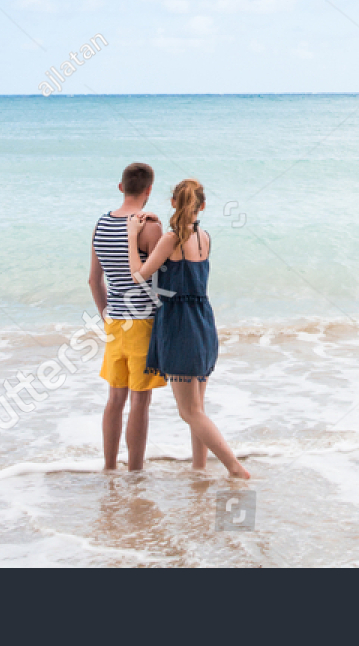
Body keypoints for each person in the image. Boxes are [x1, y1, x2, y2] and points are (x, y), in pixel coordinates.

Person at [127, 179, 250, 479]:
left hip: (179, 325)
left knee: (189, 411)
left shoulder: (170, 239)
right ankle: (199, 469)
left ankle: (235, 468)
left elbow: (139, 276)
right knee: (198, 408)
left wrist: (132, 237)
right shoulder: (204, 237)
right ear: (202, 206)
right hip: (203, 321)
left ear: (173, 203)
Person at [88, 162, 165, 471]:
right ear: (149, 190)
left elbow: (94, 280)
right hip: (143, 323)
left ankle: (109, 467)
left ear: (121, 188)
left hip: (115, 323)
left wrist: (107, 315)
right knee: (140, 402)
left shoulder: (101, 224)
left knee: (114, 399)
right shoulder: (150, 227)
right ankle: (135, 470)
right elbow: (161, 278)